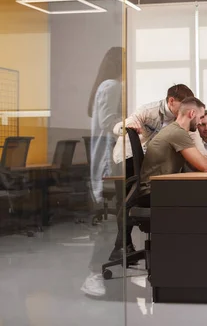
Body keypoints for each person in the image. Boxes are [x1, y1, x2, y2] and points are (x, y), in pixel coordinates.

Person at [109, 97, 207, 261]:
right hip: (154, 193)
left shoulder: (175, 131)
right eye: (199, 119)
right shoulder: (177, 133)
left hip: (156, 190)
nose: (199, 124)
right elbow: (204, 165)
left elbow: (198, 165)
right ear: (192, 113)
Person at [81, 47, 123, 297]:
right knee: (110, 221)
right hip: (109, 163)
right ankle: (93, 273)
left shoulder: (105, 86)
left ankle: (103, 265)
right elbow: (110, 122)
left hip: (108, 161)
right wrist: (134, 123)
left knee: (115, 219)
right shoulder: (111, 85)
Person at [112, 84, 196, 169]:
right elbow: (117, 127)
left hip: (149, 161)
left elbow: (193, 138)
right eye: (184, 106)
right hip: (128, 158)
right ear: (171, 101)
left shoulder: (183, 118)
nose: (187, 110)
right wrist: (129, 126)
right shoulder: (148, 110)